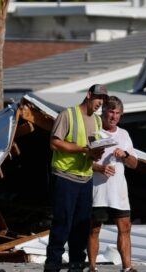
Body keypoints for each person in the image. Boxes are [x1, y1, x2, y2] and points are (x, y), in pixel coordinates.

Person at [45, 84, 108, 272]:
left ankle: (77, 266)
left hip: (85, 178)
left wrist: (95, 154)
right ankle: (53, 264)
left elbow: (92, 147)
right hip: (65, 176)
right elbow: (54, 143)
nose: (100, 103)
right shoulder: (68, 115)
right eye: (98, 98)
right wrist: (83, 150)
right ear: (89, 95)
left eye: (103, 100)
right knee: (62, 222)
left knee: (82, 226)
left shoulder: (97, 121)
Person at [88, 96, 139, 272]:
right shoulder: (94, 132)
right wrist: (100, 168)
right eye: (111, 112)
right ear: (104, 113)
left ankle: (127, 267)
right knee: (94, 229)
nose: (114, 116)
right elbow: (83, 161)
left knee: (125, 228)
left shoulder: (124, 134)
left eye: (118, 113)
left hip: (119, 192)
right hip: (98, 190)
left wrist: (124, 155)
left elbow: (134, 163)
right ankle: (92, 267)